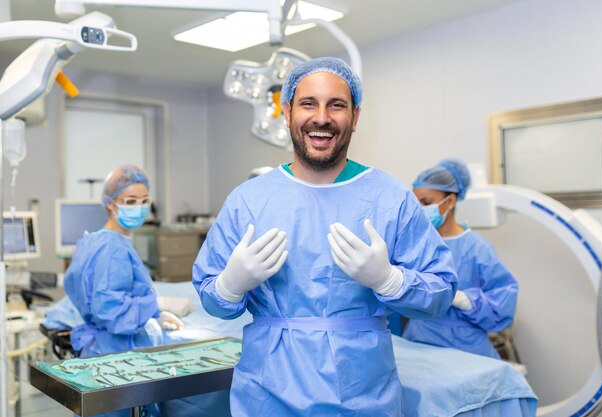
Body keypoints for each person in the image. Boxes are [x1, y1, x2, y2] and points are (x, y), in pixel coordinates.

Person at [193, 57, 458, 416]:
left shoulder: (390, 198)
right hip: (268, 392)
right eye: (308, 104)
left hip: (363, 393)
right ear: (287, 112)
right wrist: (229, 284)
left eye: (336, 105)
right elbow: (212, 297)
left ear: (356, 116)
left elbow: (440, 291)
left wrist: (391, 281)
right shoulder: (248, 200)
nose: (321, 118)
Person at [64, 165, 182, 416]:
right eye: (130, 201)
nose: (138, 207)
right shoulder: (112, 247)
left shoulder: (95, 240)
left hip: (102, 351)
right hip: (114, 355)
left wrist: (153, 317)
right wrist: (158, 304)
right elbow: (110, 309)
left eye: (144, 201)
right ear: (111, 203)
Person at [402, 159, 519, 358]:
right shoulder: (416, 243)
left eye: (427, 202)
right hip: (417, 343)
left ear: (451, 201)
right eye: (416, 202)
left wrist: (465, 300)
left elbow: (503, 304)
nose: (420, 208)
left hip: (465, 348)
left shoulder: (477, 248)